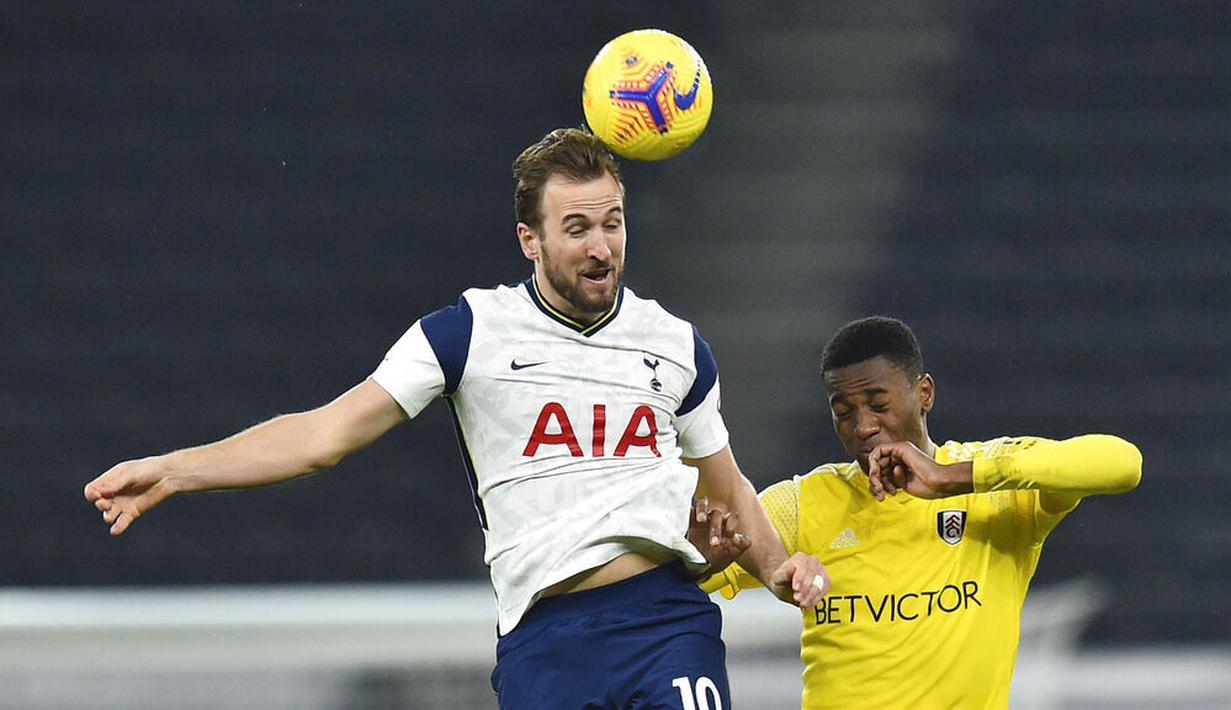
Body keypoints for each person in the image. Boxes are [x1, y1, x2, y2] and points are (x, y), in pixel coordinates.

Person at [84, 127, 826, 710]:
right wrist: (176, 471)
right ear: (528, 240)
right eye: (576, 228)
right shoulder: (468, 333)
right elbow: (320, 436)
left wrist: (777, 566)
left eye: (613, 222)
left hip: (666, 622)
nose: (601, 246)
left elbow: (727, 489)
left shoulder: (674, 344)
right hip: (547, 637)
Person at [700, 316, 1142, 709]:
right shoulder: (805, 502)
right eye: (843, 412)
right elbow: (686, 567)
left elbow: (1122, 463)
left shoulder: (993, 487)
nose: (863, 427)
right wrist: (706, 554)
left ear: (923, 393)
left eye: (878, 404)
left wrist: (954, 478)